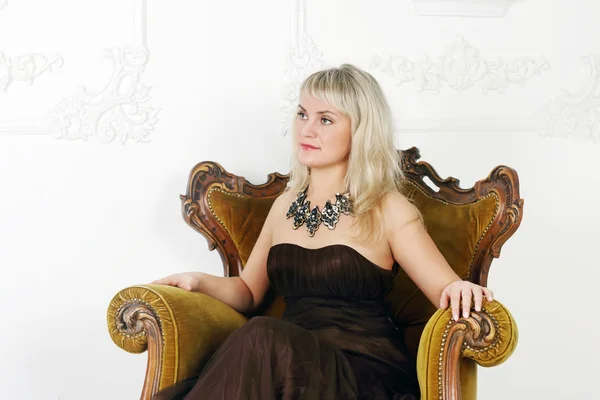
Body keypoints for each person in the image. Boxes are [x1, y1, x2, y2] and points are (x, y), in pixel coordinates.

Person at [152, 64, 494, 400]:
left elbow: (445, 289)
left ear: (360, 131)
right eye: (302, 115)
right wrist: (197, 281)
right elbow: (247, 293)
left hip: (361, 374)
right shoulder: (284, 205)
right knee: (260, 338)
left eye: (325, 119)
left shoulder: (387, 208)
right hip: (287, 368)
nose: (307, 130)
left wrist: (460, 287)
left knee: (259, 335)